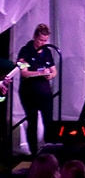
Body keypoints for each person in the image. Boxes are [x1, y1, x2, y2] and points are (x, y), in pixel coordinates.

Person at [17, 23, 57, 155]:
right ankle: (34, 154)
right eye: (40, 40)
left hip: (45, 92)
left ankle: (50, 151)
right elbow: (24, 72)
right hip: (29, 92)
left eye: (45, 41)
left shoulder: (47, 52)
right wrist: (39, 73)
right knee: (32, 122)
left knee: (48, 121)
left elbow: (53, 71)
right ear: (35, 37)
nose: (42, 43)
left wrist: (50, 75)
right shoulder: (25, 51)